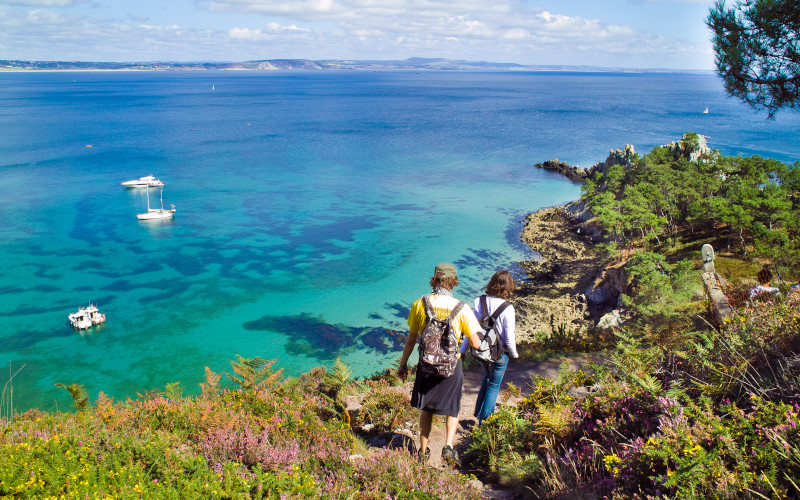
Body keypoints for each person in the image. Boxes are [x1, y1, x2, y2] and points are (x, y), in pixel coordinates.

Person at [397, 262, 482, 466]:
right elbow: (476, 343)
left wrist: (402, 366)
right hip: (452, 367)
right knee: (453, 407)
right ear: (453, 281)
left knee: (426, 408)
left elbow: (410, 341)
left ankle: (423, 451)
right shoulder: (462, 307)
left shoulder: (420, 303)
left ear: (434, 279)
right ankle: (448, 447)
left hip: (426, 365)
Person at [470, 270, 518, 425]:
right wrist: (514, 354)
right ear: (508, 287)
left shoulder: (479, 301)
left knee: (488, 377)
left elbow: (471, 329)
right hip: (499, 353)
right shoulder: (508, 308)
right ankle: (485, 422)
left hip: (482, 350)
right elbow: (509, 337)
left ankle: (478, 412)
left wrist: (463, 350)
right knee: (493, 386)